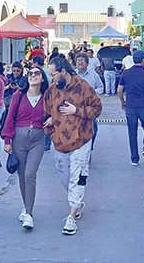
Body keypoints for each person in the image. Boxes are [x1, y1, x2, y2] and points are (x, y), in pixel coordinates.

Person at [44, 57, 102, 235]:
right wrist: (51, 126)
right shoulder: (52, 90)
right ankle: (76, 202)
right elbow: (47, 111)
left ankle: (71, 216)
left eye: (54, 74)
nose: (52, 78)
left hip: (81, 140)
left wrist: (76, 111)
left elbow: (97, 109)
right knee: (65, 177)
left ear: (63, 71)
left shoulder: (83, 86)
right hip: (60, 142)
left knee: (77, 176)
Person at [1, 67, 50, 230]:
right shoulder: (18, 95)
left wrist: (51, 120)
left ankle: (29, 213)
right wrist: (7, 140)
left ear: (43, 78)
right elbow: (9, 118)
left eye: (37, 74)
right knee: (22, 176)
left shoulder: (47, 97)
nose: (33, 76)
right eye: (31, 74)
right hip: (18, 139)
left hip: (37, 138)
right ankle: (26, 205)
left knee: (30, 174)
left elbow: (56, 113)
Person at [118, 50, 144, 166]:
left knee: (132, 133)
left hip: (131, 106)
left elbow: (119, 90)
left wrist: (123, 102)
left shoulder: (126, 73)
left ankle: (134, 158)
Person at [75, 52, 104, 150]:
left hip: (89, 106)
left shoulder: (93, 75)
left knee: (93, 128)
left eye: (82, 61)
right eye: (78, 61)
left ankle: (89, 147)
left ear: (87, 63)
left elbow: (100, 87)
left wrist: (93, 94)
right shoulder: (72, 75)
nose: (80, 63)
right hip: (75, 106)